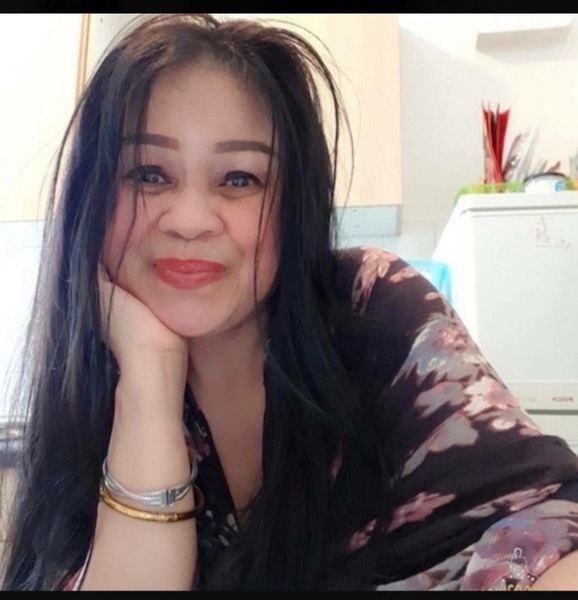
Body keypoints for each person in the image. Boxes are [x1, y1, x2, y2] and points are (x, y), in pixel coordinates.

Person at [2, 13, 578, 592]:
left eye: (239, 179)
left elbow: (544, 528)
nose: (190, 220)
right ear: (92, 199)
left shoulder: (373, 312)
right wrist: (149, 380)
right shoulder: (87, 388)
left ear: (293, 204)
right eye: (149, 174)